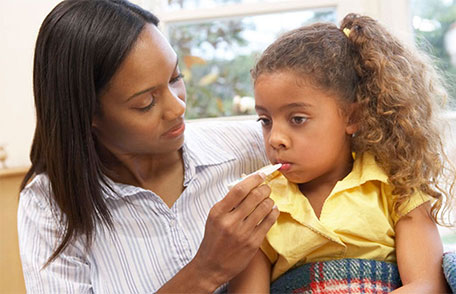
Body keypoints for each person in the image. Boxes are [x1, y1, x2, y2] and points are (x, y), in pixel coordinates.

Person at [17, 0, 280, 293]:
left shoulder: (254, 148)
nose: (177, 107)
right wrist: (205, 271)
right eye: (146, 102)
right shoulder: (50, 206)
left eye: (175, 78)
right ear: (89, 114)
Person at [228, 13, 455, 293]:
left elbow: (427, 285)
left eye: (297, 119)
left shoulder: (398, 185)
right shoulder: (260, 208)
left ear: (352, 117)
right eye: (265, 121)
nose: (275, 139)